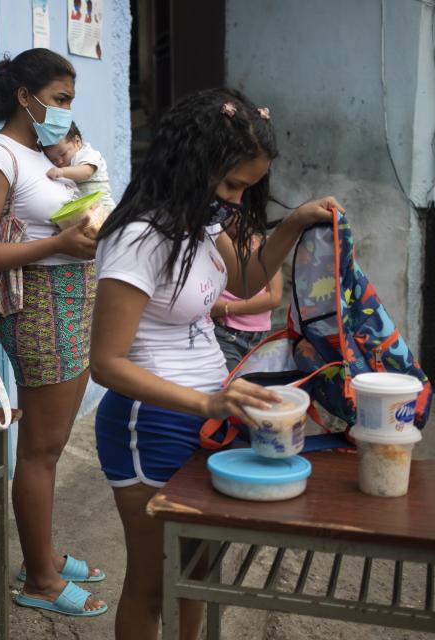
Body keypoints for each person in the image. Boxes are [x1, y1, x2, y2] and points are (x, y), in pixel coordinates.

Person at [89, 88, 342, 639]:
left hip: (204, 415)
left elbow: (250, 280)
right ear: (191, 163)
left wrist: (294, 224)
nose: (235, 199)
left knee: (198, 570)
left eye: (247, 189)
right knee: (153, 582)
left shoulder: (201, 226)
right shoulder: (139, 238)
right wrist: (206, 400)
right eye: (230, 184)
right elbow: (105, 364)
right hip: (149, 422)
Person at [0, 48, 107, 617]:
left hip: (75, 299)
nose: (66, 111)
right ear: (26, 97)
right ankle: (40, 579)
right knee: (40, 451)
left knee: (53, 444)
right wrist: (59, 244)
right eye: (60, 99)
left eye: (70, 101)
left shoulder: (43, 150)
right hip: (41, 307)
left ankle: (40, 554)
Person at [211, 232, 284, 371]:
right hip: (224, 332)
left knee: (255, 384)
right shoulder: (214, 243)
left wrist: (226, 307)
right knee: (232, 383)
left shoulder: (265, 244)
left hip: (260, 337)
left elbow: (274, 297)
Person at [43, 122, 117, 213]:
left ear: (77, 142)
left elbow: (87, 172)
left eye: (63, 154)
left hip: (104, 209)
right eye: (53, 160)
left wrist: (61, 172)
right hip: (88, 212)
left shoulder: (87, 154)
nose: (59, 162)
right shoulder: (67, 163)